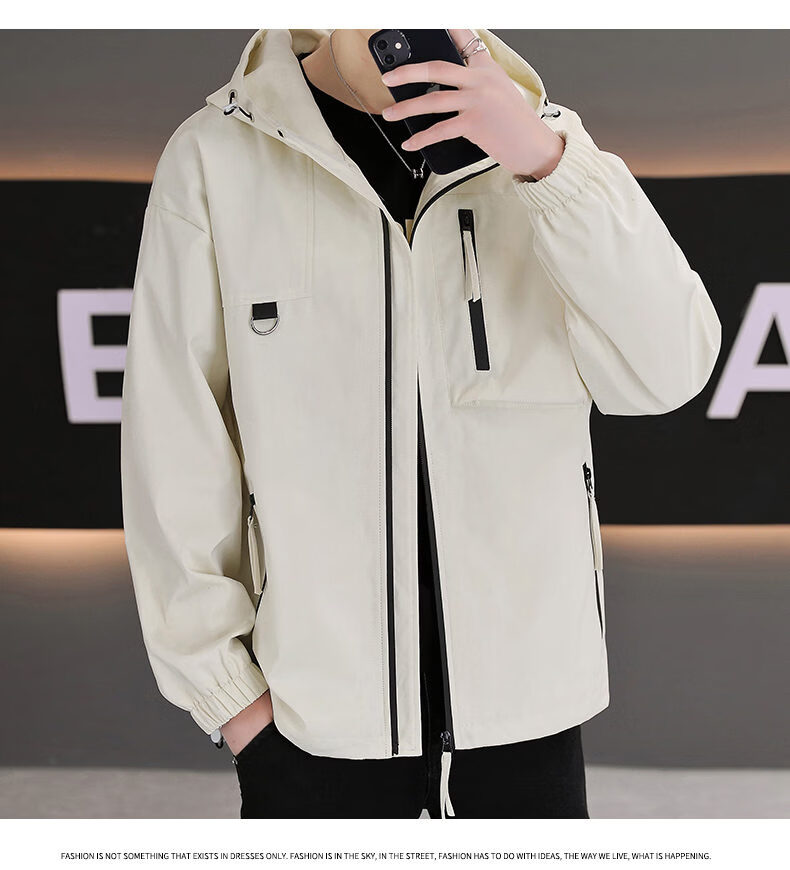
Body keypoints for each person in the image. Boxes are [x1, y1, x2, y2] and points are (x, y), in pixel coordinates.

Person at [120, 29, 722, 819]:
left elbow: (667, 373)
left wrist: (544, 164)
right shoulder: (218, 156)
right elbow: (174, 440)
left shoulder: (540, 146)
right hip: (311, 723)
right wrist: (233, 702)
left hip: (528, 712)